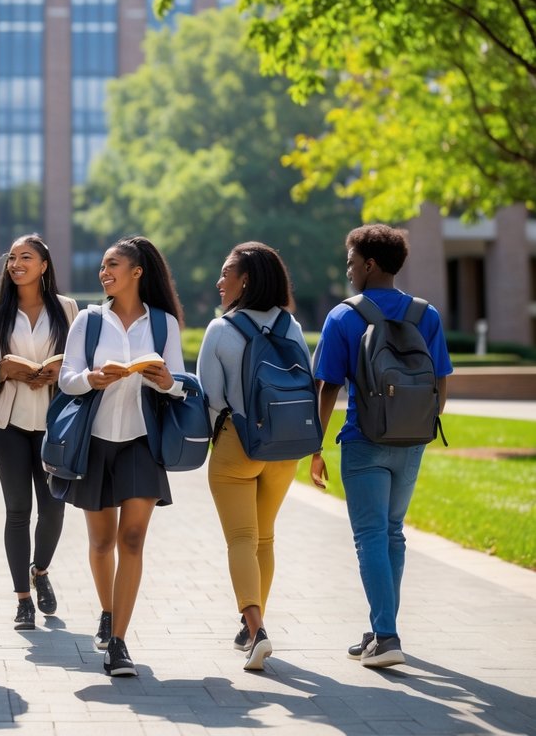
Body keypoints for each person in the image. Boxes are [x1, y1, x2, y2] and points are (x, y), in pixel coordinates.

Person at [311, 224, 451, 669]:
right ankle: (379, 628)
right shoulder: (426, 314)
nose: (348, 269)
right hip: (412, 441)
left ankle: (387, 637)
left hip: (364, 439)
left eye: (351, 262)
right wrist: (421, 427)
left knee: (370, 535)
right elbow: (440, 380)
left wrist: (314, 446)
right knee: (392, 533)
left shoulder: (344, 316)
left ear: (370, 265)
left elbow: (328, 386)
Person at [57, 236, 186, 678]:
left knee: (131, 540)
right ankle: (107, 610)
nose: (104, 272)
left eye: (113, 265)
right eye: (102, 266)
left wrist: (167, 380)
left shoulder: (164, 323)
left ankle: (118, 644)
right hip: (93, 441)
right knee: (102, 542)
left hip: (140, 442)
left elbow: (182, 384)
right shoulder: (89, 322)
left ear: (137, 271)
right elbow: (67, 378)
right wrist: (92, 378)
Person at [196, 242, 309, 671]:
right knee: (265, 537)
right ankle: (251, 625)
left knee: (241, 539)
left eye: (226, 273)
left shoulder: (221, 330)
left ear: (245, 280)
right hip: (285, 447)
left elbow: (212, 398)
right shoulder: (291, 325)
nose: (219, 281)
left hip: (238, 444)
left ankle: (257, 627)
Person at [0, 234, 78, 631]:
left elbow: (82, 364)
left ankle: (40, 570)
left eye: (27, 257)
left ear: (44, 265)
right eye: (12, 258)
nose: (17, 263)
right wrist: (5, 370)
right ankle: (23, 599)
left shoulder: (68, 309)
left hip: (55, 424)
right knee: (18, 510)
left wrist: (61, 370)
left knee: (54, 507)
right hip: (9, 423)